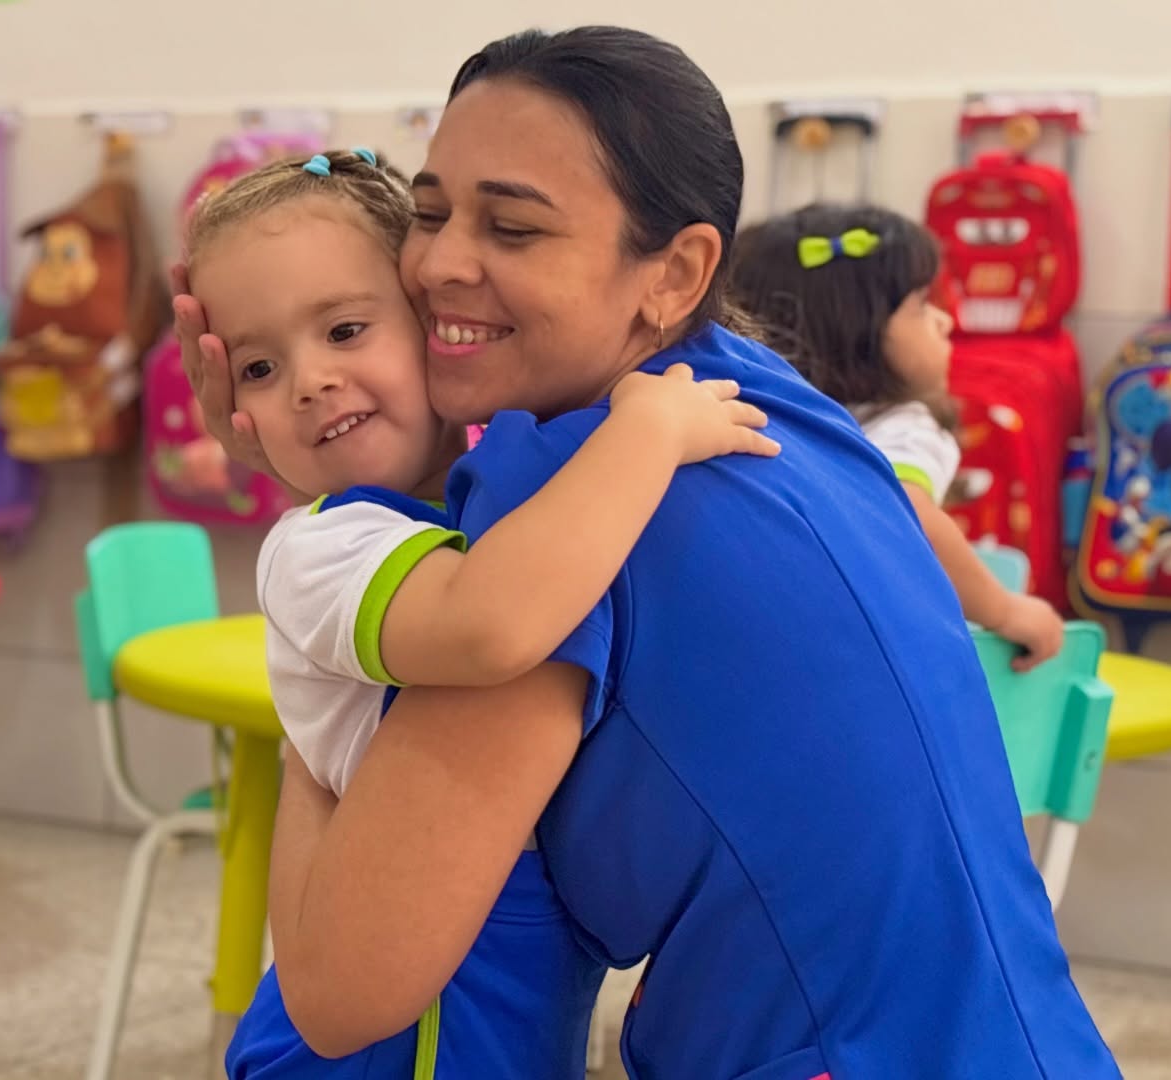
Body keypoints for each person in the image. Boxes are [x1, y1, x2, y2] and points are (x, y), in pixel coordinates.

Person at [178, 26, 1123, 1080]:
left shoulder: (567, 503)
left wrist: (310, 701)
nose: (441, 262)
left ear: (674, 271)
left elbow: (341, 989)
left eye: (514, 228)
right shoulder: (782, 408)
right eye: (433, 212)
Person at [179, 147, 777, 1078]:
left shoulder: (477, 502)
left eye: (343, 330)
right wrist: (647, 434)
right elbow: (490, 622)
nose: (308, 381)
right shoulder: (323, 548)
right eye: (258, 367)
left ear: (434, 324)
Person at [730, 203, 1065, 671]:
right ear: (858, 333)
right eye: (922, 306)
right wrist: (1006, 611)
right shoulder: (903, 426)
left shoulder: (750, 414)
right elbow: (908, 512)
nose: (944, 322)